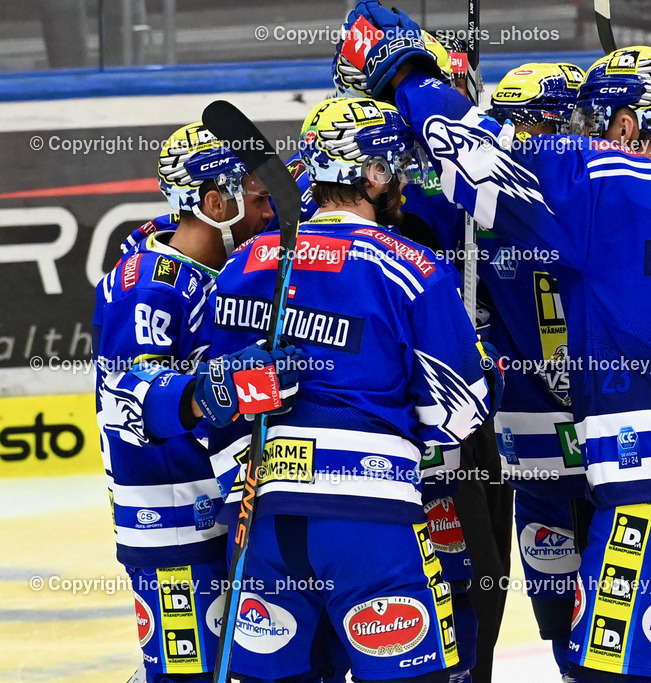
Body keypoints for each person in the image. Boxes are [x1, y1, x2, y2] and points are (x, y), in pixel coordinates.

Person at [339, 6, 651, 681]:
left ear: (625, 127)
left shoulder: (602, 182)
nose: (582, 136)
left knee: (605, 673)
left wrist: (408, 68)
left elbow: (476, 154)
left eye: (594, 124)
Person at [202, 95, 503, 683]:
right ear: (372, 172)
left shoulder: (247, 263)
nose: (403, 184)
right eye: (397, 168)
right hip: (372, 523)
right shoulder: (409, 265)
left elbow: (221, 401)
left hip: (263, 521)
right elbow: (459, 412)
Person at [93, 121, 284, 683]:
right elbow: (126, 400)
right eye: (254, 195)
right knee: (191, 677)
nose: (269, 207)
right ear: (214, 201)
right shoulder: (149, 286)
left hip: (219, 509)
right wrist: (213, 392)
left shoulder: (211, 268)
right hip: (173, 524)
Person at [483, 62, 592, 682]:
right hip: (584, 437)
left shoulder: (478, 202)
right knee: (582, 617)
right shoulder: (600, 197)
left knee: (578, 615)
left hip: (544, 438)